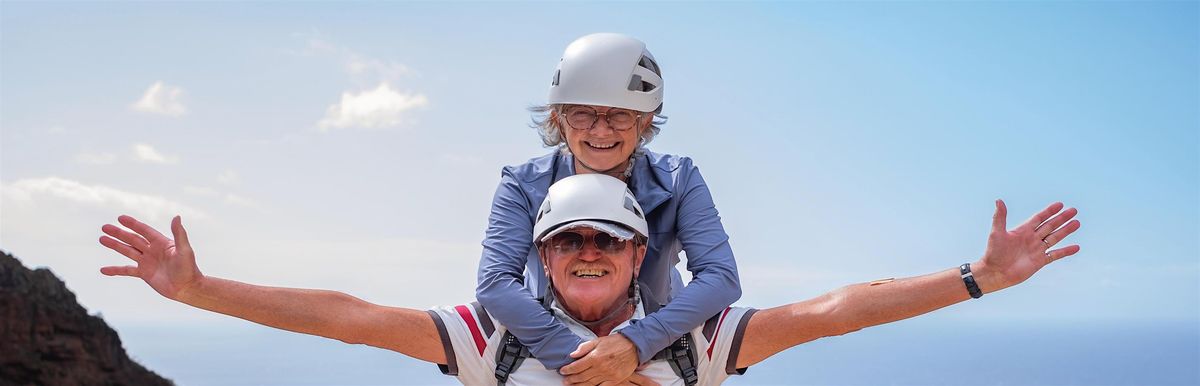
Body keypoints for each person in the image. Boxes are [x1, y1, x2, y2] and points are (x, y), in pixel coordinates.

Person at [97, 174, 1082, 386]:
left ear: (637, 255)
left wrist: (977, 277)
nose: (585, 252)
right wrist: (202, 290)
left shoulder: (695, 340)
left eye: (606, 242)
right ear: (542, 253)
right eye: (566, 240)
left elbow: (835, 311)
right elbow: (351, 319)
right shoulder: (496, 341)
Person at [476, 33, 741, 384]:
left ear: (644, 120)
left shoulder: (679, 179)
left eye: (619, 115)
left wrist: (634, 345)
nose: (601, 130)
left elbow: (720, 277)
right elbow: (495, 282)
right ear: (558, 118)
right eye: (582, 114)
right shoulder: (522, 185)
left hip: (657, 347)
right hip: (552, 344)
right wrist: (589, 364)